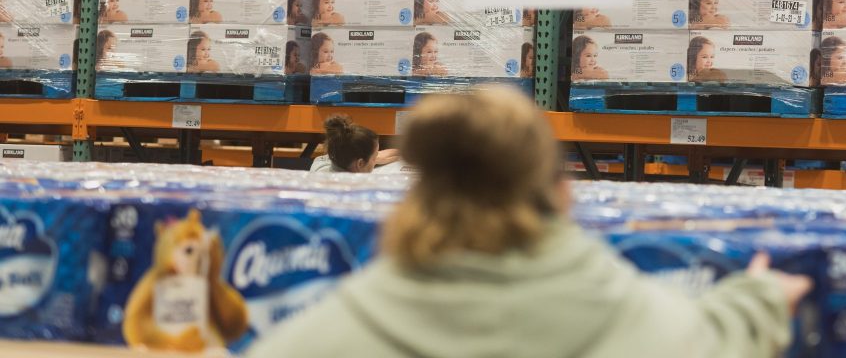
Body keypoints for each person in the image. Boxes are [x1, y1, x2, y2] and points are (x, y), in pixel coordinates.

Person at [251, 88, 804, 358]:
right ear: (561, 195)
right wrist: (759, 300)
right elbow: (722, 337)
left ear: (417, 197)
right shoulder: (650, 329)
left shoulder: (313, 339)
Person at [309, 115, 400, 174]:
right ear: (360, 163)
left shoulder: (318, 167)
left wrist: (372, 159)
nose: (377, 158)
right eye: (374, 157)